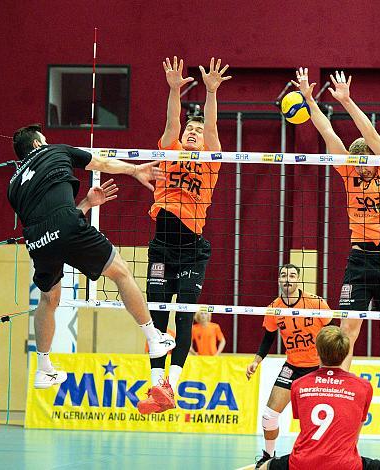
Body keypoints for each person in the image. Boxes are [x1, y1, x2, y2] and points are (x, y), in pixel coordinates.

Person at [7, 124, 175, 390]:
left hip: (36, 239)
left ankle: (43, 369)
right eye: (45, 140)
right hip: (65, 225)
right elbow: (101, 162)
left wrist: (85, 205)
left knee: (49, 299)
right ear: (39, 144)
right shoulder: (55, 150)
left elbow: (47, 218)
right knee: (120, 272)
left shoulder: (13, 185)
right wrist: (134, 169)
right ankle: (154, 339)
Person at [293, 67, 380, 439]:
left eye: (366, 155)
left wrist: (345, 100)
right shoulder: (348, 172)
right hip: (359, 260)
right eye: (356, 157)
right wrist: (310, 99)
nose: (361, 160)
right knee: (347, 331)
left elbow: (371, 134)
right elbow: (328, 132)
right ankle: (343, 399)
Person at [138, 56, 230, 414]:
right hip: (162, 246)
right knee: (156, 316)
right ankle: (157, 386)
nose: (192, 133)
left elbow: (212, 126)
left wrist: (210, 93)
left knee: (184, 317)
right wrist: (174, 90)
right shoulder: (169, 151)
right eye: (189, 131)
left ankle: (169, 387)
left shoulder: (211, 161)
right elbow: (172, 121)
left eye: (197, 132)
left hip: (192, 249)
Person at [258, 326, 380, 470]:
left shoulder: (298, 384)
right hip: (345, 464)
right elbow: (355, 436)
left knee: (264, 466)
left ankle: (268, 454)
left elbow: (305, 426)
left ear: (316, 351)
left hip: (302, 463)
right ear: (347, 352)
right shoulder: (363, 386)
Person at [247, 263, 331, 468]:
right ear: (278, 280)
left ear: (298, 280)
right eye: (284, 275)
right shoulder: (274, 308)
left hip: (316, 367)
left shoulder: (315, 303)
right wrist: (256, 361)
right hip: (292, 366)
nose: (288, 279)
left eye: (292, 275)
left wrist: (332, 365)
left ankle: (323, 458)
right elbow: (268, 337)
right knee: (268, 416)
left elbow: (333, 333)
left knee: (317, 419)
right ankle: (268, 456)